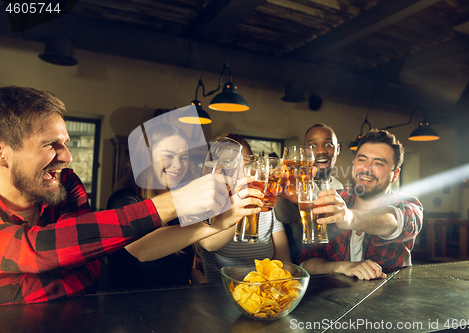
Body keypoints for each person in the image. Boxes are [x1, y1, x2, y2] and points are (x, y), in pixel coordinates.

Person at [0, 86, 247, 305]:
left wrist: (229, 216)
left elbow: (83, 262)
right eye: (49, 144)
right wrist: (178, 203)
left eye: (65, 143)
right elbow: (42, 251)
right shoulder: (126, 198)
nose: (67, 157)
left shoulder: (66, 183)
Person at [298, 129, 423, 280]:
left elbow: (394, 221)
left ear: (395, 174)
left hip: (390, 300)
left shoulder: (408, 205)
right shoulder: (334, 199)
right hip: (333, 300)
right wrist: (342, 266)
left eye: (378, 163)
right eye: (362, 159)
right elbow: (305, 265)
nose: (366, 168)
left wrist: (349, 217)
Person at [105, 123, 214, 288]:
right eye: (168, 155)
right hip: (129, 310)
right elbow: (143, 250)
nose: (178, 164)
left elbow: (209, 245)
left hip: (178, 309)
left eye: (184, 157)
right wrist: (213, 226)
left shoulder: (181, 203)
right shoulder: (123, 201)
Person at [198, 134, 291, 283]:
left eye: (246, 164)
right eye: (229, 163)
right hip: (217, 296)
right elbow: (209, 244)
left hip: (261, 294)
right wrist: (243, 207)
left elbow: (285, 262)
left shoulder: (266, 204)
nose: (239, 171)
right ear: (215, 168)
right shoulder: (207, 203)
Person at [275, 124, 343, 264]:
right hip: (296, 263)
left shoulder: (340, 187)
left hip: (331, 265)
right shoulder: (291, 183)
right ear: (304, 152)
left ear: (337, 149)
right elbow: (282, 216)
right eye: (312, 146)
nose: (321, 151)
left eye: (328, 144)